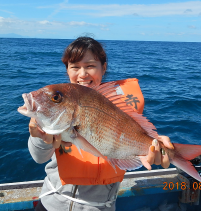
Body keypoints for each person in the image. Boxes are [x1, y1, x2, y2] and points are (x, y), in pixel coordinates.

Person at [28, 37, 174, 211]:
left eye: (90, 66)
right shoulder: (59, 107)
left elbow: (133, 144)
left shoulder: (119, 105)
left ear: (103, 68)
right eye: (75, 66)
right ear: (67, 70)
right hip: (51, 203)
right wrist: (39, 136)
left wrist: (157, 150)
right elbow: (39, 158)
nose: (82, 74)